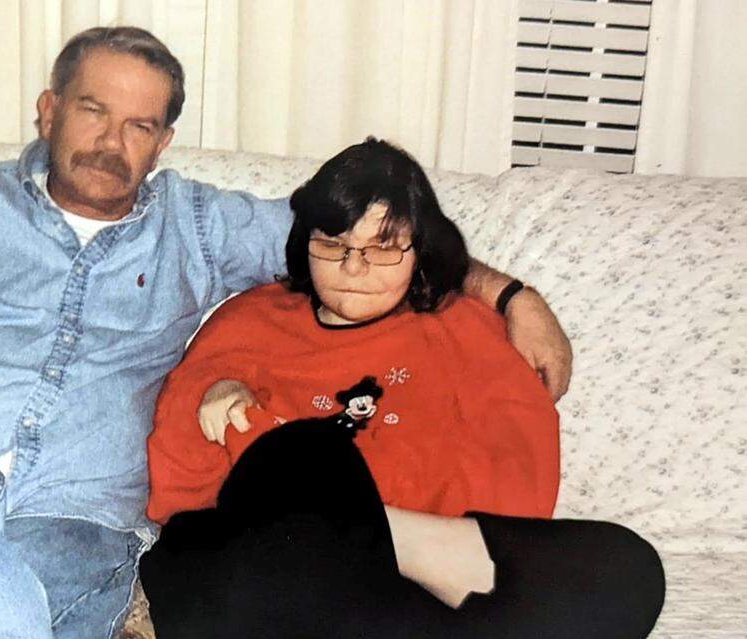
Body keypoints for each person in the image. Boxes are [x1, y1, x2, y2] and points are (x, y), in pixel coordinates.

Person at [0, 27, 573, 639]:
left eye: (140, 125)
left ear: (163, 141)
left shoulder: (200, 226)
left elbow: (359, 238)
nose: (112, 141)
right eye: (93, 110)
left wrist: (511, 297)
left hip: (77, 523)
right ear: (48, 110)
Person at [140, 138, 665, 639]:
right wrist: (216, 391)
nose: (353, 267)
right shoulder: (249, 320)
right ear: (306, 241)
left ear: (421, 248)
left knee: (627, 568)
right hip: (258, 567)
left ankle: (368, 552)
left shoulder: (463, 328)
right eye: (334, 244)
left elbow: (518, 468)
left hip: (413, 581)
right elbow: (175, 487)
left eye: (383, 247)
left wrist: (361, 526)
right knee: (310, 451)